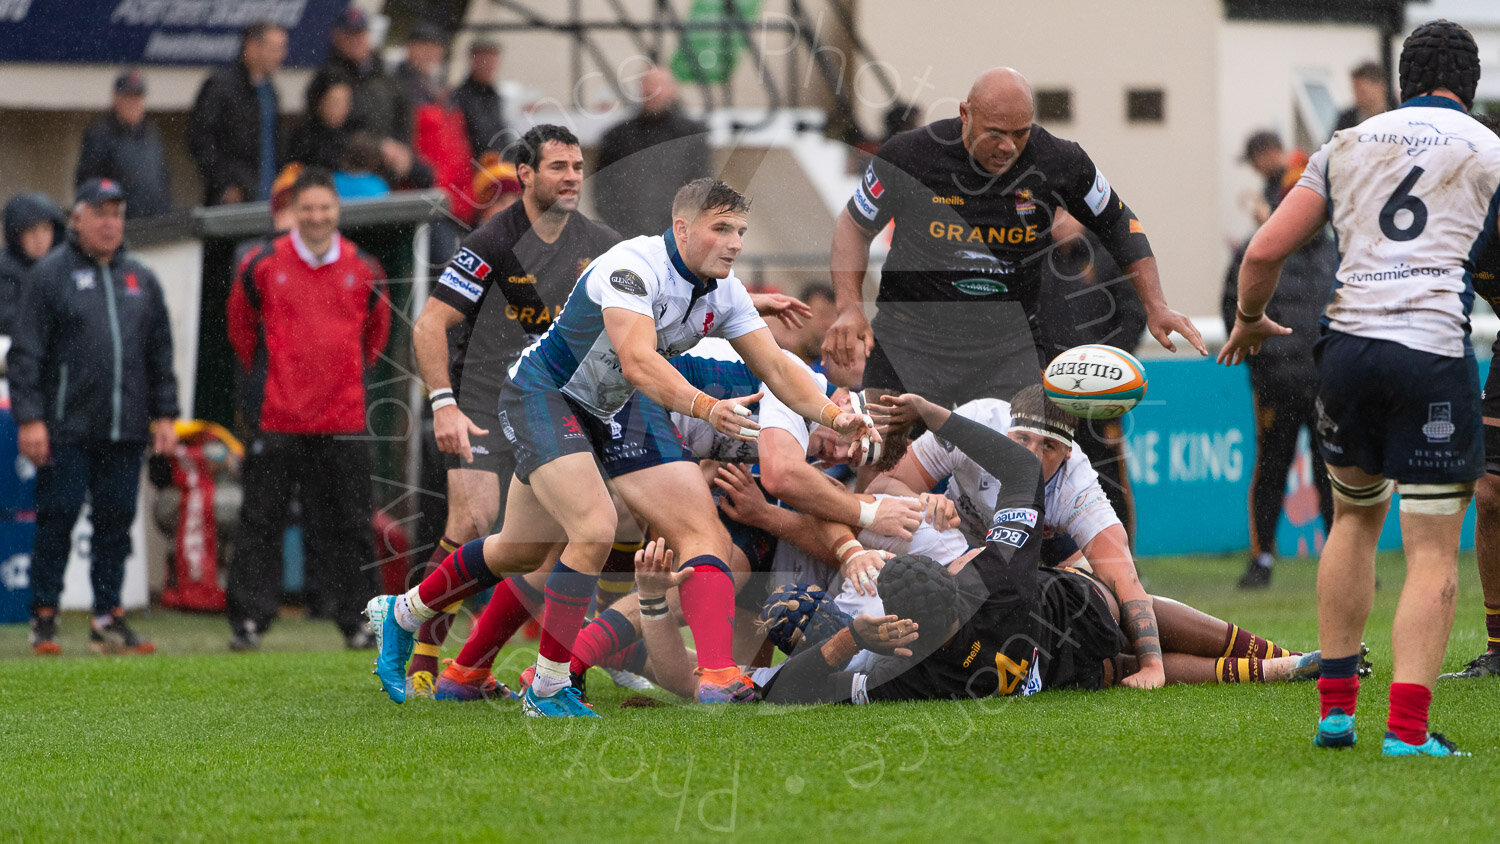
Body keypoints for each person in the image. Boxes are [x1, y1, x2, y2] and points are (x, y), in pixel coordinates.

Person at [366, 177, 876, 716]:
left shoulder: (724, 291)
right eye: (721, 229)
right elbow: (637, 361)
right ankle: (547, 687)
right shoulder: (632, 267)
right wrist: (705, 407)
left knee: (670, 535)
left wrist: (834, 415)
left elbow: (775, 366)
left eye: (741, 231)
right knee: (589, 528)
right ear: (682, 229)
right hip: (545, 394)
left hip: (617, 407)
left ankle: (718, 675)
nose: (735, 243)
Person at [1218, 19, 1499, 757]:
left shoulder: (1344, 146)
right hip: (1432, 352)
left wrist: (1249, 321)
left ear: (1402, 80)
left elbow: (1265, 251)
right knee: (1433, 548)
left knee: (1354, 520)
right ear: (1469, 86)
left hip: (1343, 350)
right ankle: (1406, 732)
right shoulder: (1490, 148)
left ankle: (1336, 714)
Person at [822, 67, 1203, 415]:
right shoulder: (910, 155)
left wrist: (1156, 304)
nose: (1007, 146)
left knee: (1019, 476)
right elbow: (854, 226)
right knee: (883, 466)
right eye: (995, 133)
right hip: (910, 339)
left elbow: (1119, 221)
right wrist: (848, 307)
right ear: (965, 114)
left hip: (1006, 349)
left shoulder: (1059, 161)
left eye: (1019, 134)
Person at [404, 124, 620, 693]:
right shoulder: (490, 243)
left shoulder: (599, 242)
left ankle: (470, 669)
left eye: (577, 167)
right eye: (558, 168)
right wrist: (443, 404)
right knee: (473, 521)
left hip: (553, 403)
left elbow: (652, 294)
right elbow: (430, 325)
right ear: (526, 175)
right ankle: (420, 656)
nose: (572, 177)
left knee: (539, 548)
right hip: (481, 396)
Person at [868, 385, 1165, 687]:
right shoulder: (978, 420)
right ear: (1007, 432)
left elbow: (1124, 577)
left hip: (1021, 571)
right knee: (908, 522)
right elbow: (881, 489)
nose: (1031, 454)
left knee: (1102, 595)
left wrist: (1152, 664)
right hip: (954, 546)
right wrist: (923, 500)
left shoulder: (1078, 487)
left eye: (1048, 446)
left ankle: (1206, 655)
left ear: (1067, 453)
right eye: (1022, 439)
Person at [7, 178, 179, 655]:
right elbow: (26, 356)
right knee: (57, 518)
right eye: (100, 214)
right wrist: (30, 419)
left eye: (117, 214)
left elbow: (159, 355)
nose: (110, 223)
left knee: (115, 522)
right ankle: (45, 616)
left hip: (124, 428)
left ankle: (108, 617)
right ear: (77, 218)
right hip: (65, 427)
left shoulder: (141, 278)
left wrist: (166, 414)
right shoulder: (50, 276)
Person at [226, 167, 391, 651]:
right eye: (308, 208)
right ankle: (250, 621)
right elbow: (242, 333)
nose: (317, 217)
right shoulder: (260, 264)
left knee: (353, 525)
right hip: (278, 418)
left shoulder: (366, 268)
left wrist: (339, 378)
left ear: (337, 211)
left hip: (343, 419)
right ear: (293, 213)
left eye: (325, 208)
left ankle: (359, 622)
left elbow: (375, 338)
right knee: (260, 522)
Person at [1222, 135, 1336, 588]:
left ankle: (1343, 559)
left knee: (1335, 475)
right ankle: (1262, 559)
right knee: (1271, 470)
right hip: (1276, 383)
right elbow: (1234, 306)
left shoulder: (1338, 250)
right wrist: (1262, 362)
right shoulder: (1260, 248)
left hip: (1328, 384)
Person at [593, 65, 712, 239]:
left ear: (673, 89)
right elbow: (603, 190)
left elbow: (702, 186)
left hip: (677, 236)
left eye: (659, 85)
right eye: (647, 85)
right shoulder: (618, 137)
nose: (652, 91)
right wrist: (621, 227)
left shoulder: (691, 135)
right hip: (627, 236)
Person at [187, 21, 288, 205]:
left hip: (267, 198)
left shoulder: (270, 91)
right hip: (234, 200)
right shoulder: (221, 86)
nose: (281, 56)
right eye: (275, 49)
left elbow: (274, 145)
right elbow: (199, 137)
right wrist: (224, 185)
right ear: (252, 47)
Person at [74, 70, 171, 219]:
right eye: (128, 97)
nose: (134, 104)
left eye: (138, 97)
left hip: (154, 222)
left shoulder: (151, 133)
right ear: (116, 99)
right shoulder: (100, 134)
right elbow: (88, 183)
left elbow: (162, 178)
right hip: (122, 225)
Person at [306, 7, 410, 146]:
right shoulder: (328, 76)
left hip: (386, 158)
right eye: (349, 34)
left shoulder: (384, 73)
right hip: (349, 160)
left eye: (360, 33)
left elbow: (403, 116)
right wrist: (374, 149)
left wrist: (400, 149)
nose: (355, 40)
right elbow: (325, 131)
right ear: (337, 37)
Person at [0, 192, 65, 335]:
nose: (40, 238)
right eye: (31, 230)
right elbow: (8, 320)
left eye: (46, 229)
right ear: (15, 233)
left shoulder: (62, 266)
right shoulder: (4, 269)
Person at [451, 39, 508, 158]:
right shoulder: (460, 97)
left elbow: (501, 136)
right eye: (483, 57)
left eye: (492, 58)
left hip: (498, 168)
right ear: (473, 59)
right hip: (476, 168)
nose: (487, 63)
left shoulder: (494, 96)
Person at [288, 79, 354, 173]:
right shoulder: (304, 137)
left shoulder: (354, 134)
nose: (341, 107)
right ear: (320, 102)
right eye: (335, 101)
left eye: (346, 102)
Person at [394, 22, 447, 109]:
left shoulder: (439, 86)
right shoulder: (396, 82)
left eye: (436, 49)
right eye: (425, 48)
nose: (431, 55)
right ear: (409, 47)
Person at [1333, 61, 1396, 134]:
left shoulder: (1399, 114)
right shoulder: (1347, 119)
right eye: (1355, 91)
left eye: (1362, 92)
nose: (1357, 97)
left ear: (1380, 87)